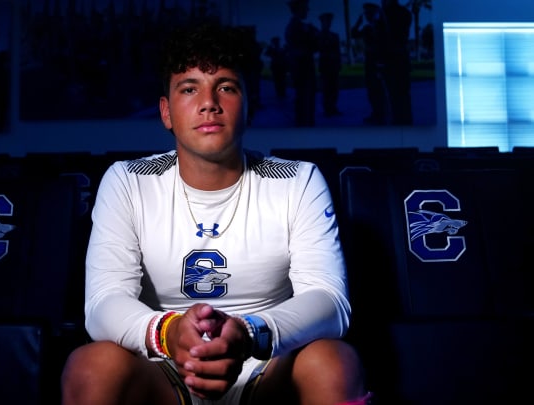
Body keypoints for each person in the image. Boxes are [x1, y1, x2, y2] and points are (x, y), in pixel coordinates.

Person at [61, 21, 371, 405]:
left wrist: (249, 332)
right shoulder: (128, 181)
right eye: (189, 89)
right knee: (90, 367)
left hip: (265, 361)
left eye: (225, 86)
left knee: (336, 363)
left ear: (249, 105)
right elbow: (103, 304)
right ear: (166, 112)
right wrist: (170, 333)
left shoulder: (298, 180)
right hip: (165, 366)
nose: (209, 102)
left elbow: (330, 301)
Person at [284, 0, 319, 127]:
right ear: (298, 9)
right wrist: (313, 34)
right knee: (305, 98)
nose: (307, 10)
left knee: (305, 98)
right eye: (305, 8)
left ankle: (305, 121)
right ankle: (305, 123)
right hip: (302, 68)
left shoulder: (299, 26)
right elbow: (306, 47)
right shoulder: (296, 26)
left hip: (303, 67)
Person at [351, 3, 387, 125]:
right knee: (372, 89)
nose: (367, 15)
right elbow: (354, 34)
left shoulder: (381, 27)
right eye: (366, 13)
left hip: (378, 62)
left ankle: (381, 114)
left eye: (369, 13)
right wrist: (358, 23)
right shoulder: (367, 28)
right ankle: (376, 112)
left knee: (378, 89)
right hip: (370, 62)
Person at [379, 0, 413, 125]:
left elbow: (381, 37)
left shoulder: (384, 14)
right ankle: (406, 120)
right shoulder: (405, 13)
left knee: (394, 95)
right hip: (402, 58)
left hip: (390, 60)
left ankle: (398, 120)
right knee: (404, 94)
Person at [317, 12, 343, 117]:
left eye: (329, 22)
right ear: (322, 23)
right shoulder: (319, 35)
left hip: (334, 65)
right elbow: (320, 48)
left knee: (334, 88)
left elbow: (337, 51)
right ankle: (327, 109)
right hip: (325, 65)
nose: (328, 24)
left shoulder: (334, 36)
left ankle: (333, 107)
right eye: (326, 22)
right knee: (327, 89)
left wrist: (339, 63)